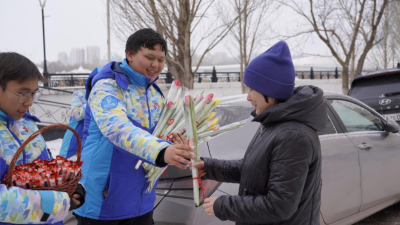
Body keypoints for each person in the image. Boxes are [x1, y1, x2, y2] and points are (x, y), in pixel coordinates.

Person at [194, 41, 327, 225]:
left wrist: (223, 206)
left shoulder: (293, 136)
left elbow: (279, 206)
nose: (248, 97)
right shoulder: (274, 124)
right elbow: (253, 170)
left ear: (269, 92)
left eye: (251, 89)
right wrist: (210, 168)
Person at [73, 28, 194, 224]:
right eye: (149, 57)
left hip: (142, 202)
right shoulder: (107, 87)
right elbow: (117, 128)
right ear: (129, 55)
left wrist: (175, 141)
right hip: (104, 202)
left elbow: (159, 134)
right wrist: (162, 150)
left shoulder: (155, 93)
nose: (156, 65)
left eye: (161, 60)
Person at [0, 52, 85, 224]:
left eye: (34, 94)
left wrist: (70, 186)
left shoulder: (26, 124)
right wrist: (57, 203)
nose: (30, 102)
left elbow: (45, 171)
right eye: (23, 93)